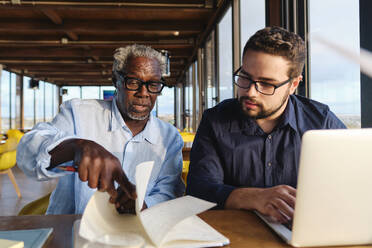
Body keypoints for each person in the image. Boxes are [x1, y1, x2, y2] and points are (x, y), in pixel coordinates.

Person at [186, 26, 346, 223]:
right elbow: (198, 191)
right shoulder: (215, 120)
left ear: (293, 84)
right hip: (238, 237)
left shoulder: (321, 122)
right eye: (245, 77)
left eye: (267, 83)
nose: (251, 92)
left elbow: (352, 186)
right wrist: (254, 197)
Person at [17, 44, 185, 214]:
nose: (144, 93)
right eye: (133, 82)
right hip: (71, 232)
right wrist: (75, 147)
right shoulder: (78, 113)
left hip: (135, 233)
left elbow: (169, 191)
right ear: (115, 81)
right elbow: (27, 156)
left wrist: (144, 205)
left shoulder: (169, 137)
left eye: (153, 84)